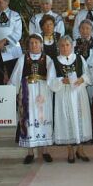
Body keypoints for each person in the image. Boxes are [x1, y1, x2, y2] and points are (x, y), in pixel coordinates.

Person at [9, 33, 56, 164]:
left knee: (43, 119)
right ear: (28, 45)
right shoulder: (22, 59)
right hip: (27, 93)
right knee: (28, 119)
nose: (34, 45)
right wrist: (11, 93)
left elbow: (52, 79)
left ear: (41, 45)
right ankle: (30, 152)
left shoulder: (48, 59)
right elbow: (15, 77)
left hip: (43, 95)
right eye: (31, 43)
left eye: (36, 42)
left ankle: (45, 150)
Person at [50, 35, 92, 163]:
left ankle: (80, 149)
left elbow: (87, 74)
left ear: (72, 46)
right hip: (63, 94)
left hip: (78, 93)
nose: (65, 47)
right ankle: (70, 150)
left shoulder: (79, 58)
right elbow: (50, 81)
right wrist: (62, 80)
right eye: (62, 45)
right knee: (67, 119)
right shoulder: (54, 61)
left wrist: (82, 79)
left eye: (67, 45)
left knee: (80, 119)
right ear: (59, 47)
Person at [74, 19, 93, 102]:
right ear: (79, 30)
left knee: (91, 98)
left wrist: (85, 68)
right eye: (82, 28)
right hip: (77, 74)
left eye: (87, 28)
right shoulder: (74, 43)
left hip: (91, 73)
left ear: (92, 30)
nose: (85, 31)